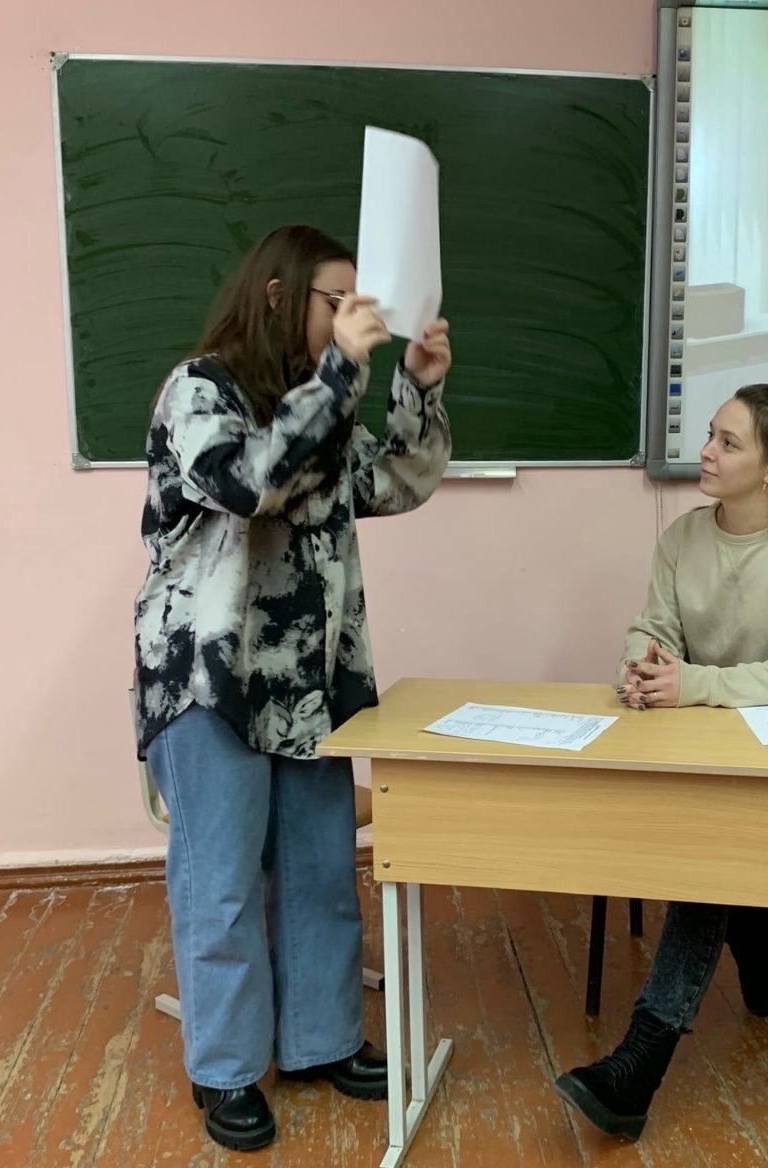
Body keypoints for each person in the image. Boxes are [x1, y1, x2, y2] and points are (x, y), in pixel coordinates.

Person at [133, 224, 452, 1152]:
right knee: (222, 883)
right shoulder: (199, 390)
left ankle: (320, 1040)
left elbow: (393, 483)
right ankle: (227, 1068)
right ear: (279, 296)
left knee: (319, 869)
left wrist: (416, 387)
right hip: (210, 677)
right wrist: (343, 375)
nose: (356, 315)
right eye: (336, 300)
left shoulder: (320, 402)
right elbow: (247, 482)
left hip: (310, 680)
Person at [555, 381, 768, 1142]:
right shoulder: (684, 537)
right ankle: (755, 924)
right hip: (706, 751)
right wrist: (641, 665)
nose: (707, 452)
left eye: (728, 442)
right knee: (714, 855)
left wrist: (695, 684)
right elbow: (652, 625)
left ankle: (640, 1062)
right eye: (711, 435)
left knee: (709, 859)